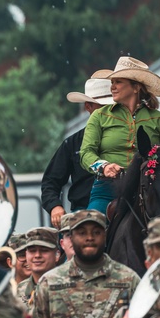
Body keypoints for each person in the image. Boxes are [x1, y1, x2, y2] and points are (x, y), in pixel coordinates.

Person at [80, 57, 160, 216]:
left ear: (136, 87)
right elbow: (85, 153)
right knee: (91, 225)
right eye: (112, 82)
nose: (112, 87)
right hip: (107, 188)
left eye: (118, 82)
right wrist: (104, 166)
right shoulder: (99, 116)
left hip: (151, 189)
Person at [42, 79, 114, 227]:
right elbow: (51, 181)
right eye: (102, 107)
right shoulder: (72, 143)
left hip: (122, 208)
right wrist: (55, 206)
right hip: (81, 212)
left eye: (112, 107)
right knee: (67, 246)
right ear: (88, 107)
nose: (108, 112)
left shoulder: (128, 138)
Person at [14, 227, 61, 306]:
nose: (37, 255)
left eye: (44, 250)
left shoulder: (71, 285)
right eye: (32, 251)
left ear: (57, 255)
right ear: (26, 255)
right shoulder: (18, 291)